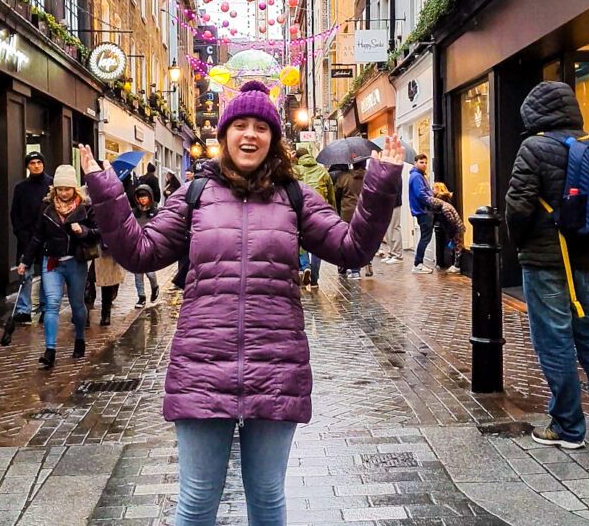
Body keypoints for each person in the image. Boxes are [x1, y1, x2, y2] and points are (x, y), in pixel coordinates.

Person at [80, 80, 402, 526]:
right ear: (224, 135)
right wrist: (104, 189)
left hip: (276, 364)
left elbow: (351, 249)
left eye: (260, 127)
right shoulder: (194, 195)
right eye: (240, 125)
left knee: (268, 497)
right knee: (195, 502)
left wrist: (381, 180)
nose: (250, 135)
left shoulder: (294, 196)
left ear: (273, 138)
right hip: (201, 365)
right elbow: (141, 252)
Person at [506, 80, 589, 448]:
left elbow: (518, 207)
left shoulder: (534, 148)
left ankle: (568, 427)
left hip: (545, 261)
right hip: (586, 259)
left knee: (554, 341)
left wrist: (519, 242)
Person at [18, 164, 100, 369]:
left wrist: (82, 231)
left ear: (74, 189)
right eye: (60, 188)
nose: (63, 192)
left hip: (75, 262)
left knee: (77, 304)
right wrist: (25, 261)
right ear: (54, 189)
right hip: (52, 262)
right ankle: (50, 350)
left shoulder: (86, 208)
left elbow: (98, 233)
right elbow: (37, 237)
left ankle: (80, 338)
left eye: (67, 188)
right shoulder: (46, 209)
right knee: (52, 304)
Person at [9, 152, 52, 322]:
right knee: (25, 274)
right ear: (27, 166)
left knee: (46, 274)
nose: (36, 166)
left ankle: (45, 307)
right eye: (32, 163)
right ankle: (23, 309)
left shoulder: (51, 185)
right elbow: (15, 213)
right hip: (25, 238)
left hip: (46, 237)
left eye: (39, 162)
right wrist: (20, 233)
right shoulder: (21, 188)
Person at [293, 146, 336, 288]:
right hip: (321, 212)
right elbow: (331, 194)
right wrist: (333, 212)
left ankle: (305, 267)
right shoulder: (322, 171)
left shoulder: (296, 170)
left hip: (301, 211)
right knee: (318, 245)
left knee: (301, 241)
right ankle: (315, 279)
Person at [337, 162, 369, 278]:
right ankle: (361, 266)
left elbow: (337, 195)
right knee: (362, 241)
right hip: (364, 212)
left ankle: (349, 267)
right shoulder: (370, 177)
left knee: (348, 242)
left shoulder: (344, 177)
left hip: (348, 213)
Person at [132, 183, 160, 308]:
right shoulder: (134, 212)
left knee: (150, 272)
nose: (143, 200)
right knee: (138, 273)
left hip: (149, 245)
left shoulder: (155, 212)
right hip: (136, 245)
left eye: (145, 197)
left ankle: (155, 287)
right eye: (140, 197)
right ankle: (141, 297)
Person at [428, 183, 464, 274]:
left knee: (457, 247)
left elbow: (451, 220)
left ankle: (457, 266)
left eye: (433, 188)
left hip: (456, 229)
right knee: (455, 246)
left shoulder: (444, 207)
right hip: (454, 229)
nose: (432, 190)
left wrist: (452, 230)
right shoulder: (444, 204)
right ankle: (455, 265)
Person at [409, 154, 434, 274]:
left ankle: (418, 263)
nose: (424, 165)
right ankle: (418, 264)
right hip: (423, 211)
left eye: (425, 162)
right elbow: (420, 194)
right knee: (425, 237)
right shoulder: (416, 176)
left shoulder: (419, 176)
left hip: (423, 210)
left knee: (425, 237)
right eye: (421, 162)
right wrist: (432, 200)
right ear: (415, 163)